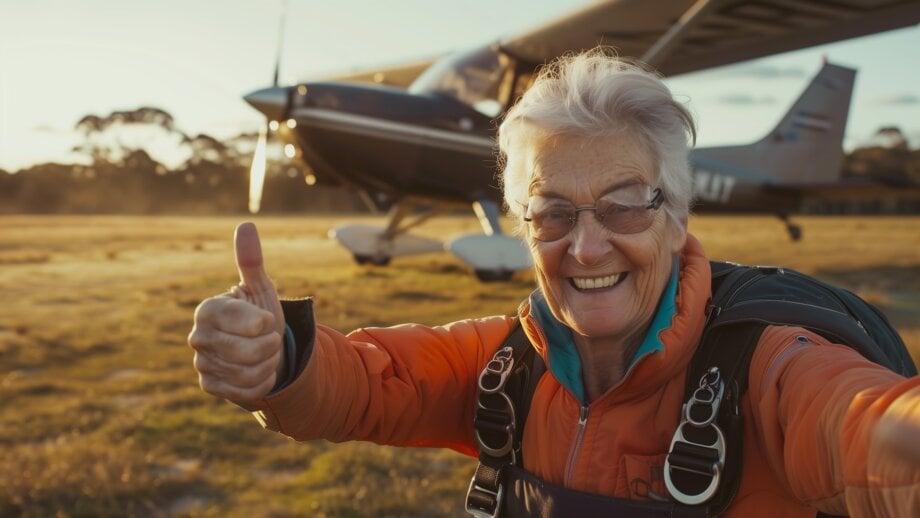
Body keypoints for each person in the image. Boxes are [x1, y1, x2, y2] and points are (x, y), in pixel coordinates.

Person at [188, 49, 920, 516]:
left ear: (677, 215)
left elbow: (856, 420)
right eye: (551, 212)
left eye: (625, 204)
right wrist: (279, 357)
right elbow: (370, 383)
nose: (586, 243)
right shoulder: (507, 362)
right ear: (521, 221)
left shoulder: (763, 367)